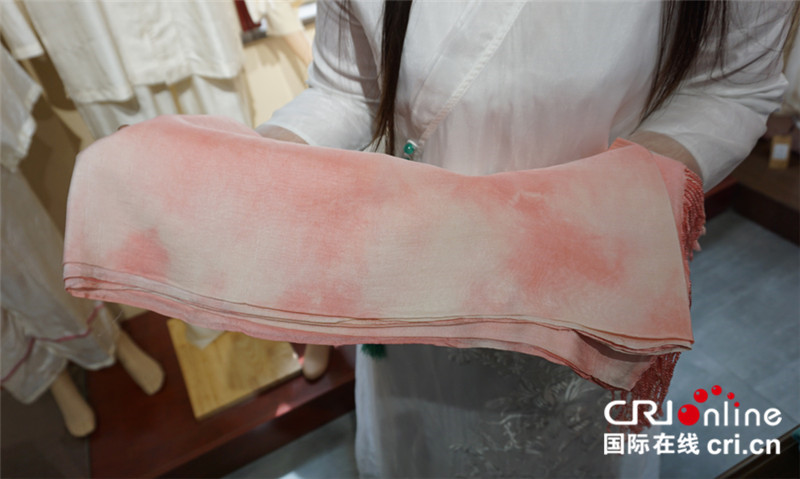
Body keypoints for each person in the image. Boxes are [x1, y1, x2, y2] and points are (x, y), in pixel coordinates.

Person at [256, 1, 794, 476]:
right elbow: (347, 87)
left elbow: (732, 84)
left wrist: (598, 205)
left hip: (582, 279)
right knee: (421, 439)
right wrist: (256, 172)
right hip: (414, 283)